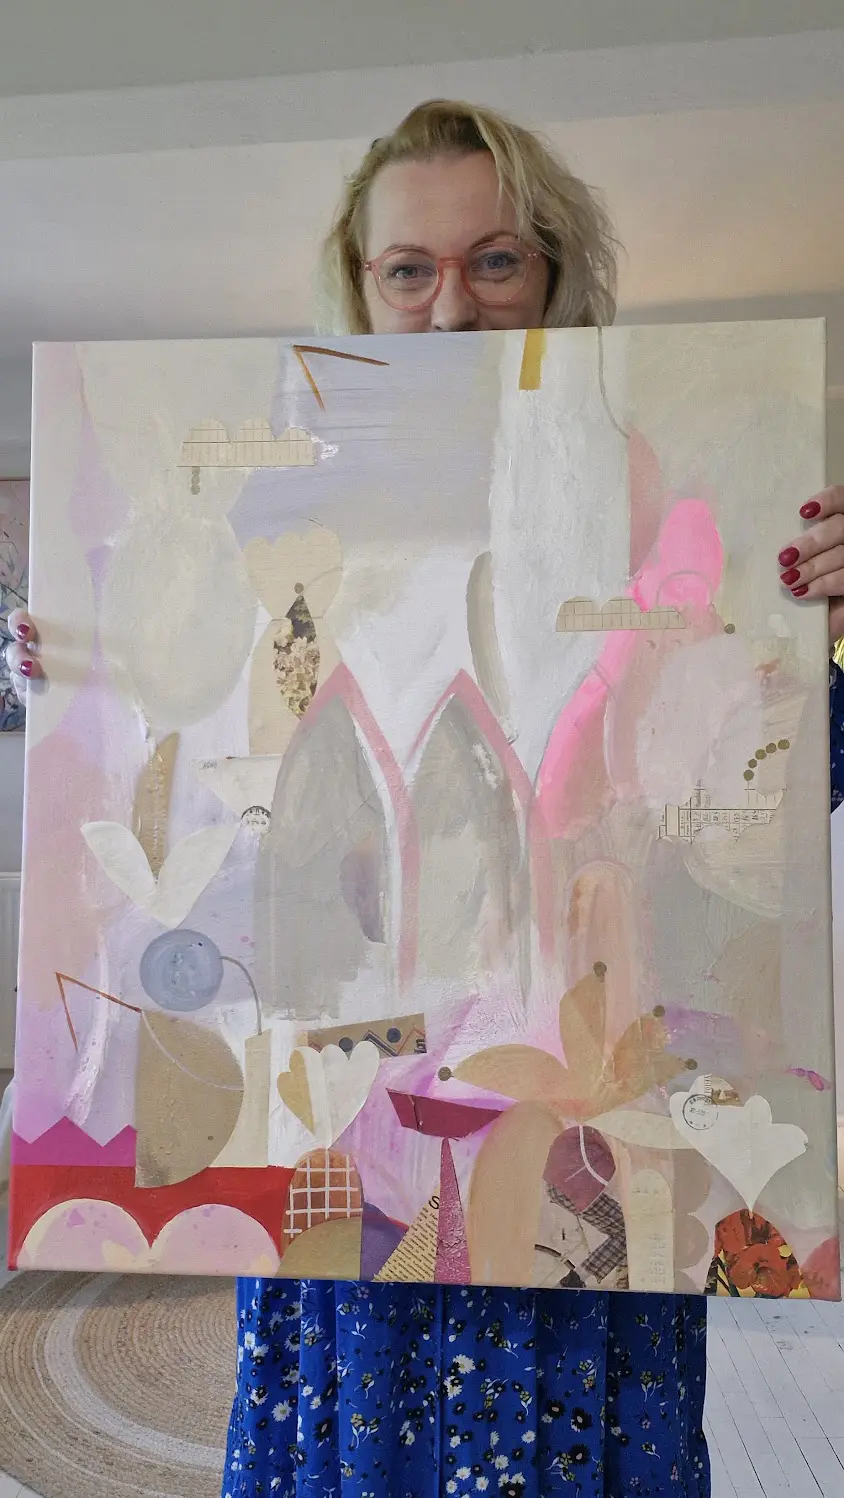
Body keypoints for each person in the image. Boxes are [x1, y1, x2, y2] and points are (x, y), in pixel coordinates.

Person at [7, 100, 844, 1498]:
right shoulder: (276, 515)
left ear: (558, 273)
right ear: (362, 289)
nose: (451, 308)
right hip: (349, 1144)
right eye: (410, 270)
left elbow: (763, 817)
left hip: (588, 1147)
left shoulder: (667, 508)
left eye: (495, 260)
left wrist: (819, 651)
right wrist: (86, 680)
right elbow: (208, 811)